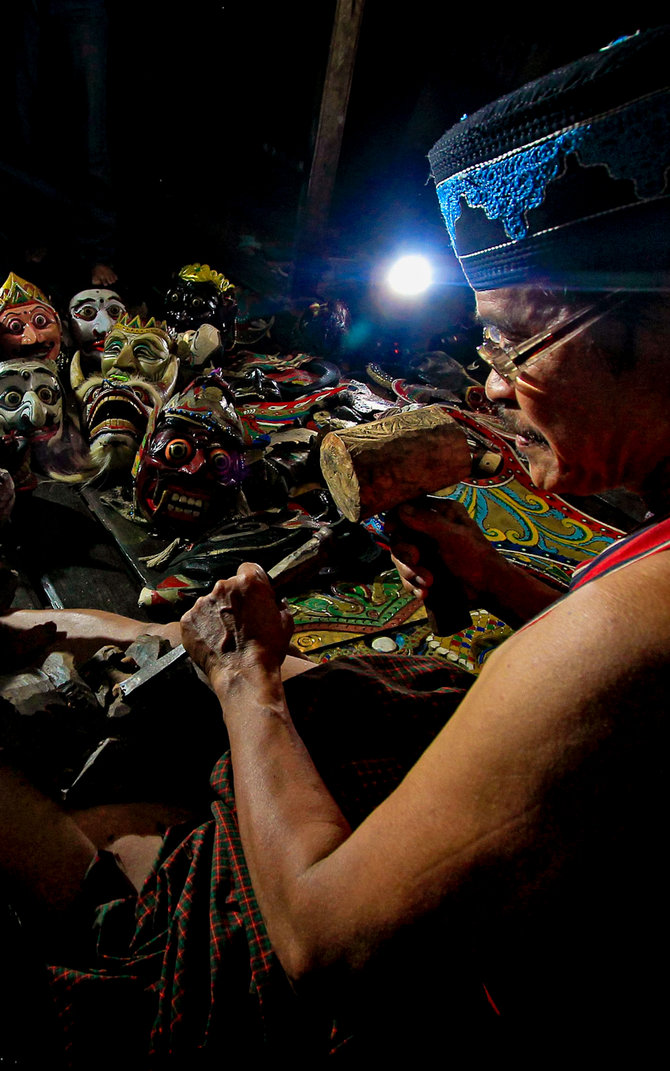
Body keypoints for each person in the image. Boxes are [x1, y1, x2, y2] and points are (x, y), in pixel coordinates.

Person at [3, 25, 670, 1066]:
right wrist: (494, 576)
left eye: (507, 340)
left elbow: (328, 942)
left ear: (645, 329)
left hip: (456, 986)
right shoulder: (635, 600)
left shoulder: (638, 626)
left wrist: (244, 680)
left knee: (113, 843)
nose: (488, 382)